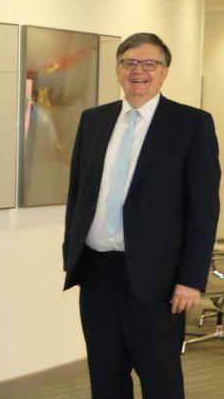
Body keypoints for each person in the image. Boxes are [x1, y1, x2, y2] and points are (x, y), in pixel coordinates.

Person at [63, 32, 220, 398]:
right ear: (118, 70)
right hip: (97, 275)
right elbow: (78, 193)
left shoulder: (191, 124)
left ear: (165, 72)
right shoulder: (93, 120)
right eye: (130, 62)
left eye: (150, 63)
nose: (139, 71)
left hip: (158, 281)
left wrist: (190, 279)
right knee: (105, 379)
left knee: (160, 381)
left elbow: (203, 210)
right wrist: (71, 252)